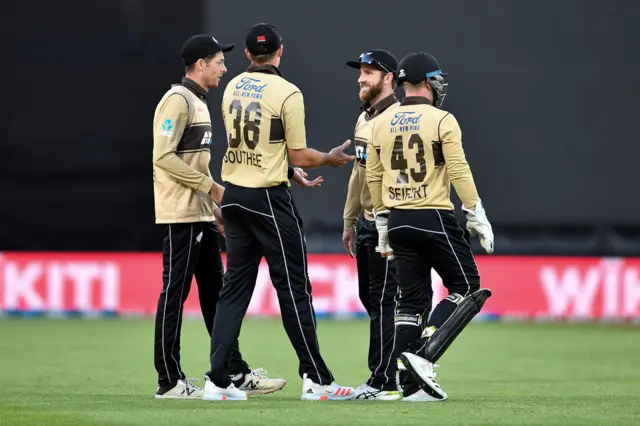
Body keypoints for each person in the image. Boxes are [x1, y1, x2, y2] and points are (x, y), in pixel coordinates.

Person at [203, 23, 356, 401]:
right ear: (279, 52)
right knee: (293, 288)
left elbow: (257, 147)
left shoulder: (233, 86)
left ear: (246, 55)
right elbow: (298, 152)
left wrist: (287, 170)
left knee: (234, 290)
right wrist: (329, 160)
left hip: (234, 195)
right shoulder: (288, 92)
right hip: (268, 199)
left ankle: (217, 380)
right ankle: (316, 379)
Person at [151, 34, 288, 399]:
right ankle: (169, 381)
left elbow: (191, 161)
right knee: (175, 295)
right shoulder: (176, 101)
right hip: (179, 216)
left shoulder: (196, 102)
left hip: (199, 215)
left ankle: (233, 372)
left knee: (216, 294)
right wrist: (213, 190)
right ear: (200, 64)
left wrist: (214, 208)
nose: (224, 68)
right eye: (218, 62)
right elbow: (163, 157)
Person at [366, 51, 494, 402]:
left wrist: (381, 220)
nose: (439, 87)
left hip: (398, 218)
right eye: (435, 80)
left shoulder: (380, 122)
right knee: (467, 285)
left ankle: (410, 386)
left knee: (410, 302)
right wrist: (474, 210)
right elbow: (458, 167)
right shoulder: (442, 120)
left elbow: (373, 176)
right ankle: (423, 354)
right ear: (424, 82)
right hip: (434, 214)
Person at [341, 50, 403, 401]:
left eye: (368, 73)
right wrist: (350, 220)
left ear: (389, 78)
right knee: (371, 297)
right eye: (361, 72)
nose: (361, 79)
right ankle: (398, 362)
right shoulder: (364, 118)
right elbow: (358, 173)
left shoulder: (398, 118)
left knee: (382, 300)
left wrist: (388, 223)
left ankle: (383, 379)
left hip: (389, 224)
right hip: (366, 223)